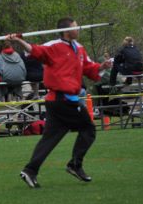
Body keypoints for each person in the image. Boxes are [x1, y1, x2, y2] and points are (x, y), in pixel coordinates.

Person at [7, 18, 112, 188]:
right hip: (62, 100)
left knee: (51, 138)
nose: (78, 28)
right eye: (75, 26)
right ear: (66, 30)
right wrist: (18, 40)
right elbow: (35, 51)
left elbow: (89, 69)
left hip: (61, 102)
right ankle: (74, 165)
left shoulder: (79, 48)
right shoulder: (54, 46)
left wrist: (102, 66)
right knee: (88, 129)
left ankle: (30, 170)